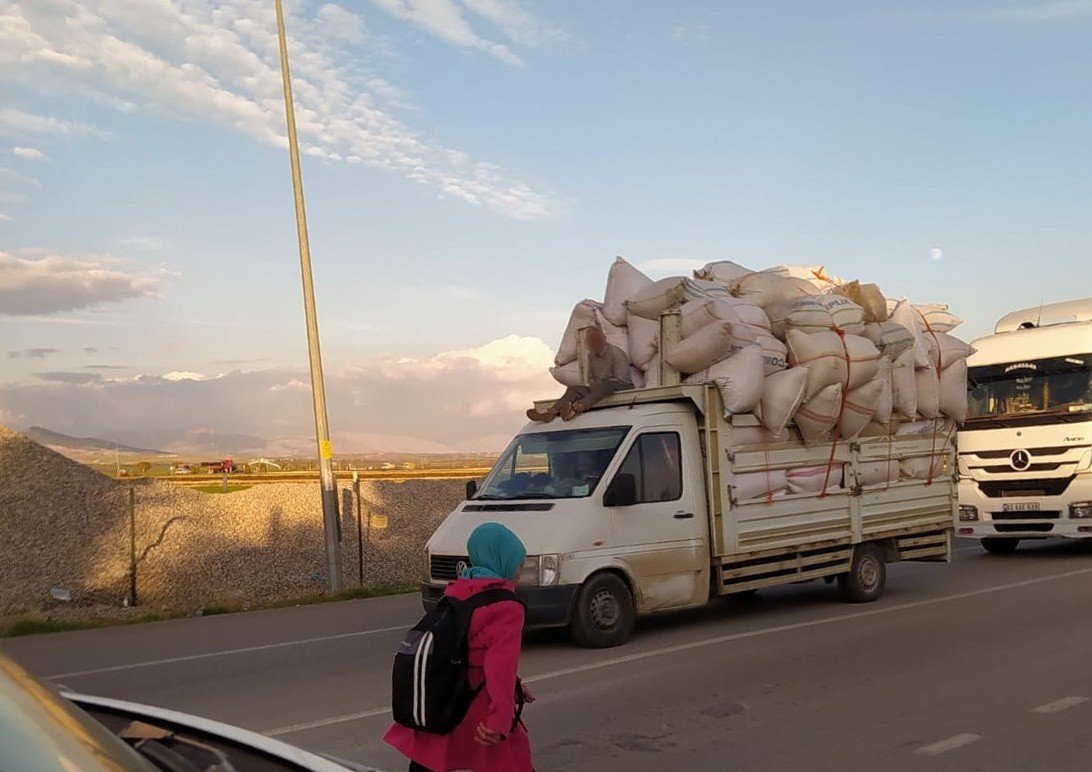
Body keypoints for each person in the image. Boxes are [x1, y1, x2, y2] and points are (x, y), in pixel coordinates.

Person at [385, 523, 535, 772]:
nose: (520, 571)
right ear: (503, 561)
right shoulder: (507, 608)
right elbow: (499, 667)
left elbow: (468, 646)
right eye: (519, 563)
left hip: (445, 694)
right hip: (477, 705)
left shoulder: (459, 590)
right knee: (511, 761)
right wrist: (499, 719)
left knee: (432, 759)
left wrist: (516, 684)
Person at [528, 327, 633, 422]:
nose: (594, 344)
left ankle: (578, 407)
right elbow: (591, 378)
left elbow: (623, 379)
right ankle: (551, 412)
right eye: (591, 341)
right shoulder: (591, 356)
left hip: (620, 386)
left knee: (605, 385)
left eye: (596, 340)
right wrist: (593, 384)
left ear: (604, 338)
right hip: (600, 388)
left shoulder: (616, 353)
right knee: (574, 389)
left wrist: (600, 383)